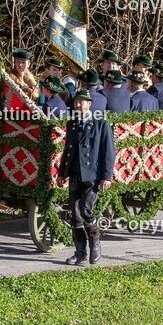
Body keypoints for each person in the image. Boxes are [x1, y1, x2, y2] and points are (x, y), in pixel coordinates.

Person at [58, 89, 115, 266]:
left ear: (89, 104)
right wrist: (61, 173)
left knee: (86, 209)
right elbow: (67, 149)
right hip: (75, 173)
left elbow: (109, 152)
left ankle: (96, 244)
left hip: (93, 176)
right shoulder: (72, 124)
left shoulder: (101, 124)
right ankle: (80, 252)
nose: (78, 105)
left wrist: (106, 176)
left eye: (82, 102)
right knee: (75, 214)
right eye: (76, 102)